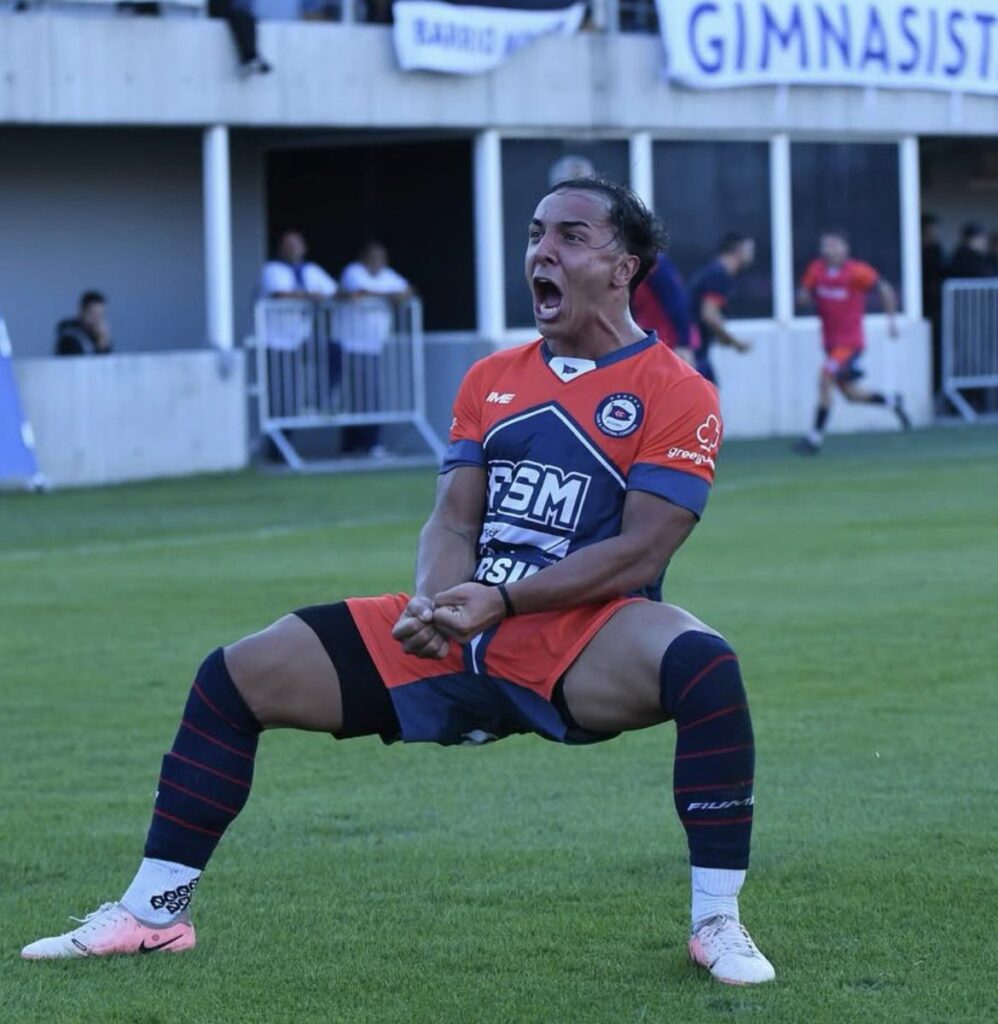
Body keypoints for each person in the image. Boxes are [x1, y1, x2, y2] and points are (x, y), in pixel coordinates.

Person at [21, 178, 775, 987]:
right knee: (235, 676)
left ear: (624, 268)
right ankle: (153, 915)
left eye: (570, 236)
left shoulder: (678, 391)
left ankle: (716, 922)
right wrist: (432, 602)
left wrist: (504, 600)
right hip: (465, 623)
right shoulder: (491, 378)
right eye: (534, 234)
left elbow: (641, 552)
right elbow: (452, 520)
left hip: (586, 636)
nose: (542, 252)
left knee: (705, 666)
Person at [794, 229, 909, 455]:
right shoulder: (816, 269)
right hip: (830, 343)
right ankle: (892, 401)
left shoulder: (857, 272)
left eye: (834, 245)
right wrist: (803, 297)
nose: (829, 250)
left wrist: (892, 321)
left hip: (850, 342)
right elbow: (803, 293)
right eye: (826, 246)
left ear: (845, 248)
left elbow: (884, 289)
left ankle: (814, 438)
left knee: (825, 377)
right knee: (851, 395)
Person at [337, 242, 414, 458]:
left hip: (373, 346)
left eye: (381, 258)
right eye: (373, 257)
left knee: (369, 395)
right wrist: (388, 296)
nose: (377, 262)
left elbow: (407, 291)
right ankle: (355, 444)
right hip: (349, 344)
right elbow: (358, 292)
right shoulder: (354, 272)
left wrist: (386, 295)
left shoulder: (387, 275)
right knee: (355, 397)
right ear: (364, 257)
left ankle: (366, 443)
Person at [681, 234, 755, 385]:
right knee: (708, 390)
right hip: (693, 349)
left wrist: (722, 335)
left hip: (696, 346)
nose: (752, 255)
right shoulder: (720, 274)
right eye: (749, 250)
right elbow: (709, 315)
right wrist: (736, 343)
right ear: (738, 250)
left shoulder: (716, 272)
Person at [631, 252, 692, 354]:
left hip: (667, 339)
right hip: (644, 339)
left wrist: (683, 342)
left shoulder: (655, 264)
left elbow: (676, 302)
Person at [920, 214, 947, 399]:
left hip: (938, 309)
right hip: (924, 309)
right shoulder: (917, 251)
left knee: (939, 351)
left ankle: (938, 389)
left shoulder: (938, 250)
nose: (934, 233)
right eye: (931, 230)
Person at [207, 0, 272, 77]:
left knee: (247, 18)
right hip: (218, 6)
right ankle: (249, 58)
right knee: (241, 17)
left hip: (228, 7)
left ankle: (250, 57)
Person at [54, 290, 112, 357]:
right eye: (93, 314)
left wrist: (103, 342)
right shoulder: (69, 337)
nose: (97, 320)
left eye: (101, 315)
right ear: (82, 311)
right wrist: (100, 344)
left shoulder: (97, 335)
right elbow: (80, 361)